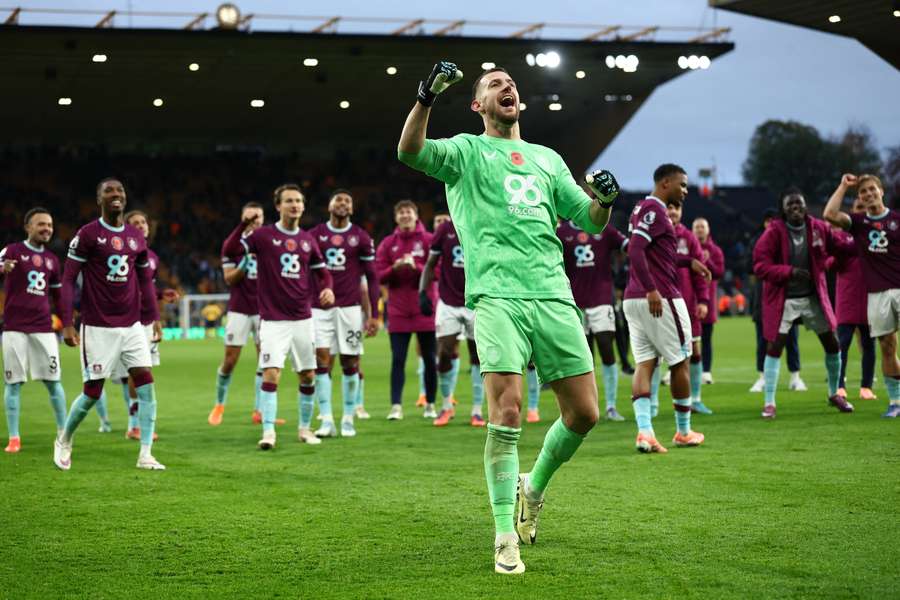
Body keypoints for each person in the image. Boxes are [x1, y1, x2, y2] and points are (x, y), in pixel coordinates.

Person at [398, 62, 618, 575]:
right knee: (509, 412)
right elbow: (409, 150)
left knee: (585, 413)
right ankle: (503, 535)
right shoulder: (465, 152)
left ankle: (533, 488)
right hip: (496, 296)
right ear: (477, 105)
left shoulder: (547, 159)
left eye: (510, 83)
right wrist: (426, 95)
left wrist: (605, 200)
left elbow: (587, 218)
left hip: (553, 296)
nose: (508, 87)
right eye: (495, 84)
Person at [55, 177, 164, 470]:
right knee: (93, 391)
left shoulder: (135, 237)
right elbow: (67, 279)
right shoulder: (88, 234)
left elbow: (145, 281)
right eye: (109, 191)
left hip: (131, 325)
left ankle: (145, 453)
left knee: (146, 383)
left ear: (125, 198)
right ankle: (64, 438)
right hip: (98, 325)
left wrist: (152, 317)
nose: (116, 195)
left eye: (120, 191)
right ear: (99, 199)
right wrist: (67, 323)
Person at [221, 184, 335, 448]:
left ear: (303, 206)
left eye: (298, 201)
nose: (294, 205)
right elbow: (230, 250)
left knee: (307, 375)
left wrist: (327, 287)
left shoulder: (308, 240)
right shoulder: (263, 236)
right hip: (273, 320)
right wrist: (242, 226)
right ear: (278, 206)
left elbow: (322, 272)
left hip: (303, 319)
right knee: (271, 373)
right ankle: (268, 432)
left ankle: (305, 429)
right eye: (288, 201)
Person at [624, 164, 708, 455]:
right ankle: (684, 431)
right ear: (666, 182)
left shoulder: (640, 208)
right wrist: (652, 289)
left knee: (645, 363)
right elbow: (634, 249)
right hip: (658, 297)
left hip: (632, 299)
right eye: (682, 185)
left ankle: (645, 432)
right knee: (680, 361)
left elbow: (653, 254)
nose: (685, 190)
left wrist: (689, 263)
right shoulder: (656, 209)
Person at [753, 187, 853, 419]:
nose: (796, 208)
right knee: (774, 347)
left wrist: (857, 245)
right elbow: (759, 266)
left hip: (812, 296)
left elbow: (839, 247)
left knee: (832, 343)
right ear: (784, 210)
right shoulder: (773, 232)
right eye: (791, 205)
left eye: (799, 204)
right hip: (783, 299)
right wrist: (788, 272)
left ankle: (834, 393)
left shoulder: (818, 227)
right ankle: (769, 402)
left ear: (806, 206)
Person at [824, 174, 900, 418]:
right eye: (863, 192)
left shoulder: (897, 220)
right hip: (876, 295)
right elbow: (830, 214)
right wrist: (844, 185)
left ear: (881, 191)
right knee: (887, 348)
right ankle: (896, 401)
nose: (868, 194)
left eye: (871, 189)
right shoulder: (858, 223)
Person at [309, 189, 380, 438]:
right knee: (321, 361)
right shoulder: (314, 235)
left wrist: (374, 314)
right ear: (329, 205)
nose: (343, 203)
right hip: (319, 309)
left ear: (352, 208)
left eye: (347, 200)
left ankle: (348, 417)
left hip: (350, 309)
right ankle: (327, 419)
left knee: (350, 362)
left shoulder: (360, 237)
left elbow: (372, 277)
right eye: (338, 199)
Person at [103, 210, 178, 440]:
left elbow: (145, 288)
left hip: (146, 320)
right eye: (134, 223)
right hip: (125, 321)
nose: (140, 225)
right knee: (105, 376)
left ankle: (135, 425)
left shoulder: (151, 256)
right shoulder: (124, 253)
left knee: (141, 374)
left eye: (143, 222)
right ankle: (120, 422)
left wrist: (159, 296)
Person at [1, 207, 67, 453]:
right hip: (14, 327)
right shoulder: (11, 250)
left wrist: (67, 323)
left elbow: (59, 297)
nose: (46, 229)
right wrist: (2, 268)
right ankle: (14, 437)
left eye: (49, 225)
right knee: (13, 383)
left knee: (53, 381)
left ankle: (63, 431)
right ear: (27, 227)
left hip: (43, 328)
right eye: (41, 224)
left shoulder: (52, 260)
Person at [557, 217, 628, 421]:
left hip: (601, 300)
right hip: (575, 303)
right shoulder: (561, 232)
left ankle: (611, 406)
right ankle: (586, 408)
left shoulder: (603, 228)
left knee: (606, 347)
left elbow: (627, 246)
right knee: (583, 357)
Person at [419, 215, 485, 427]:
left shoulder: (481, 221)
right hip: (448, 302)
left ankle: (477, 410)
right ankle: (446, 406)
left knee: (479, 355)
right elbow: (431, 263)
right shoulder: (445, 228)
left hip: (476, 300)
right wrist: (423, 292)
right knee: (444, 353)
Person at [375, 200, 438, 420]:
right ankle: (396, 406)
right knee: (398, 359)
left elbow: (438, 272)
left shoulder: (429, 240)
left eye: (408, 211)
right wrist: (395, 268)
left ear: (416, 214)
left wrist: (418, 267)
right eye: (401, 212)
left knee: (430, 359)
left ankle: (430, 404)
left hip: (425, 308)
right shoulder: (387, 243)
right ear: (396, 218)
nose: (405, 215)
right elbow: (378, 275)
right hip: (398, 310)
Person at [208, 202, 267, 427]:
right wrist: (245, 263)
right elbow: (230, 279)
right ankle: (219, 404)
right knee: (230, 361)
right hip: (240, 310)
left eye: (258, 216)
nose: (255, 219)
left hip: (264, 311)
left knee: (266, 359)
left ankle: (259, 410)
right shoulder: (233, 245)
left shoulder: (268, 242)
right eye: (250, 216)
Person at [749, 210, 805, 393]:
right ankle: (762, 377)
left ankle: (795, 377)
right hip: (763, 297)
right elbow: (750, 268)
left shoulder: (788, 242)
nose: (770, 224)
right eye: (768, 221)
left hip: (788, 296)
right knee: (762, 340)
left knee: (792, 339)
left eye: (774, 220)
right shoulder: (756, 242)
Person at [829, 198, 877, 402]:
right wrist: (839, 258)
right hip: (847, 297)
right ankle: (840, 386)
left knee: (869, 344)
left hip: (871, 297)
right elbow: (829, 263)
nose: (862, 212)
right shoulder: (842, 237)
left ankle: (866, 386)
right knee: (843, 344)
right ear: (852, 212)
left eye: (865, 209)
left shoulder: (876, 237)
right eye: (858, 208)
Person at [666, 201, 712, 414]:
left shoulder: (689, 238)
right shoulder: (655, 235)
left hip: (687, 306)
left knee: (695, 352)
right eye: (669, 207)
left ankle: (696, 399)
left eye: (676, 208)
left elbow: (700, 273)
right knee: (655, 356)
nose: (673, 211)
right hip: (661, 305)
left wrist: (703, 300)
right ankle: (654, 405)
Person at [692, 218, 725, 385]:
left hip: (708, 301)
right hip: (689, 299)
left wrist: (708, 260)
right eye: (696, 227)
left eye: (702, 227)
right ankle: (674, 371)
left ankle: (706, 372)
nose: (699, 230)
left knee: (706, 338)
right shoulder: (687, 248)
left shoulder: (715, 251)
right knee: (683, 338)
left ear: (708, 229)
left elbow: (719, 273)